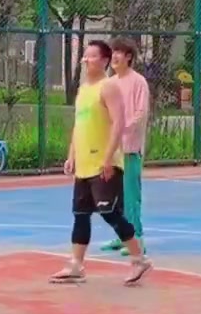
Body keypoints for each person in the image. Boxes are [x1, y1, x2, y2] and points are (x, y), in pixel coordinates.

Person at [50, 40, 150, 284]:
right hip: (84, 165)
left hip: (103, 163)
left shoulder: (109, 87)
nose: (86, 60)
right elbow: (78, 125)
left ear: (104, 60)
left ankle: (139, 259)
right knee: (80, 214)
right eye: (85, 56)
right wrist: (72, 155)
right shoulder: (83, 89)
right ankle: (76, 265)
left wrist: (108, 159)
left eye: (91, 56)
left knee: (110, 212)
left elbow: (118, 123)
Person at [101, 37, 151, 258]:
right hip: (113, 151)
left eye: (118, 52)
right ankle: (123, 236)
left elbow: (140, 114)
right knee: (116, 196)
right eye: (112, 52)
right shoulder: (110, 83)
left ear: (129, 56)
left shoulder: (138, 82)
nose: (114, 57)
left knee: (131, 196)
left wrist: (123, 129)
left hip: (130, 148)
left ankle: (137, 239)